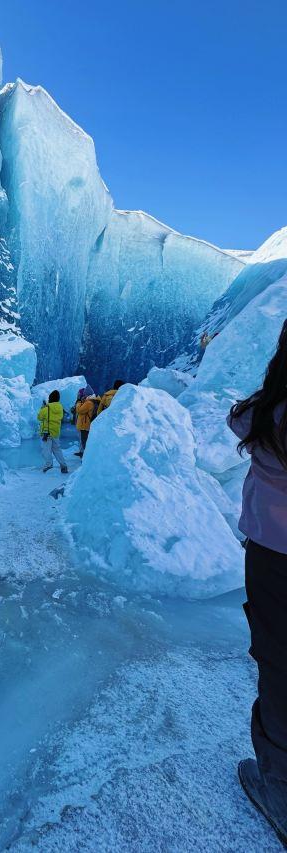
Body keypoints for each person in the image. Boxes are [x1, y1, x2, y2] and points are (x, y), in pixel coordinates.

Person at [228, 319, 287, 847]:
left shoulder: (268, 415)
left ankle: (281, 792)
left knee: (280, 666)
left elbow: (238, 419)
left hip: (275, 557)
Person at [37, 390, 68, 474]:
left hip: (46, 432)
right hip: (55, 432)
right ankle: (63, 466)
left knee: (46, 450)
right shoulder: (60, 407)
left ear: (50, 398)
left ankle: (48, 465)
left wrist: (43, 408)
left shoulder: (46, 408)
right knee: (57, 449)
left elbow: (39, 417)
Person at [74, 391, 96, 457]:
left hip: (85, 425)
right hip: (86, 424)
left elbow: (79, 410)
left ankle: (86, 457)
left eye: (84, 395)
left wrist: (79, 402)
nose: (83, 397)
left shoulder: (89, 402)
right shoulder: (90, 402)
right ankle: (84, 455)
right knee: (84, 441)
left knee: (85, 442)